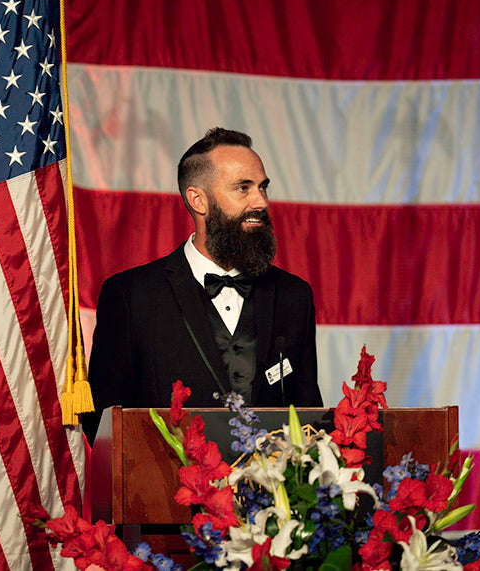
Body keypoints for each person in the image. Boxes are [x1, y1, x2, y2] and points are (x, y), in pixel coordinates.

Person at [85, 127, 323, 441]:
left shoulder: (295, 296)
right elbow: (104, 427)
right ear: (198, 200)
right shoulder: (131, 295)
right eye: (243, 188)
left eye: (263, 187)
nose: (261, 201)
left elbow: (308, 416)